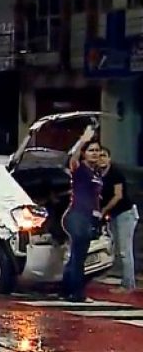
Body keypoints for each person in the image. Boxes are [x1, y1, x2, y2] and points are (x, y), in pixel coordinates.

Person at [61, 127, 103, 302]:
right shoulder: (79, 169)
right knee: (78, 256)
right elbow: (73, 157)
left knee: (78, 255)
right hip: (75, 215)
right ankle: (76, 293)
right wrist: (83, 139)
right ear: (85, 153)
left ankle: (67, 289)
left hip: (88, 217)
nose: (95, 154)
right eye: (91, 150)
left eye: (97, 151)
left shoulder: (96, 173)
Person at [100, 146, 139, 293]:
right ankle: (118, 276)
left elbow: (118, 195)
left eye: (104, 155)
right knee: (115, 247)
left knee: (124, 249)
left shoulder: (115, 173)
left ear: (109, 158)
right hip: (114, 214)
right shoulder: (98, 174)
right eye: (99, 155)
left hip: (125, 213)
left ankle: (128, 284)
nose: (101, 158)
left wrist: (103, 210)